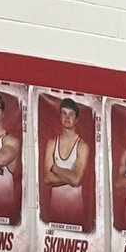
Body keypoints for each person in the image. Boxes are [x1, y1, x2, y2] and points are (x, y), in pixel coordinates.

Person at [42, 97, 90, 226]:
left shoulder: (82, 146)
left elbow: (76, 180)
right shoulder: (52, 143)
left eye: (71, 114)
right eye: (64, 113)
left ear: (77, 119)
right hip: (54, 210)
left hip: (75, 211)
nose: (67, 117)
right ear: (60, 116)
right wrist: (71, 175)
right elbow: (46, 178)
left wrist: (56, 169)